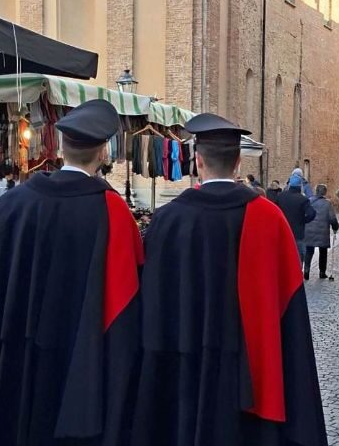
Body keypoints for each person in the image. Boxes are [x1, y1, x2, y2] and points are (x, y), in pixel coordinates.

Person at [0, 99, 144, 446]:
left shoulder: (11, 203)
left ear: (60, 149)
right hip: (76, 358)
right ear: (102, 153)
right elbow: (124, 299)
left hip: (11, 353)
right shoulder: (114, 213)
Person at [133, 113, 327, 446]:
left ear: (197, 162)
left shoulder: (167, 221)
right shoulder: (270, 219)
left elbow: (152, 299)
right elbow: (290, 306)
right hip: (249, 379)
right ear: (238, 162)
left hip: (183, 370)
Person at [276, 173, 317, 257]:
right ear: (300, 186)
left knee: (283, 255)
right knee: (298, 256)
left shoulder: (280, 196)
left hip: (283, 231)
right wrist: (303, 220)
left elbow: (274, 212)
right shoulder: (303, 199)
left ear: (290, 185)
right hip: (297, 232)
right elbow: (312, 213)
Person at [304, 184, 339, 280]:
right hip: (322, 231)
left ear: (316, 191)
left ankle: (306, 270)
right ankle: (322, 272)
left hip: (309, 230)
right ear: (325, 192)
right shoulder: (327, 204)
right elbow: (332, 218)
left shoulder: (309, 201)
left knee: (309, 250)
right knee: (323, 252)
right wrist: (335, 227)